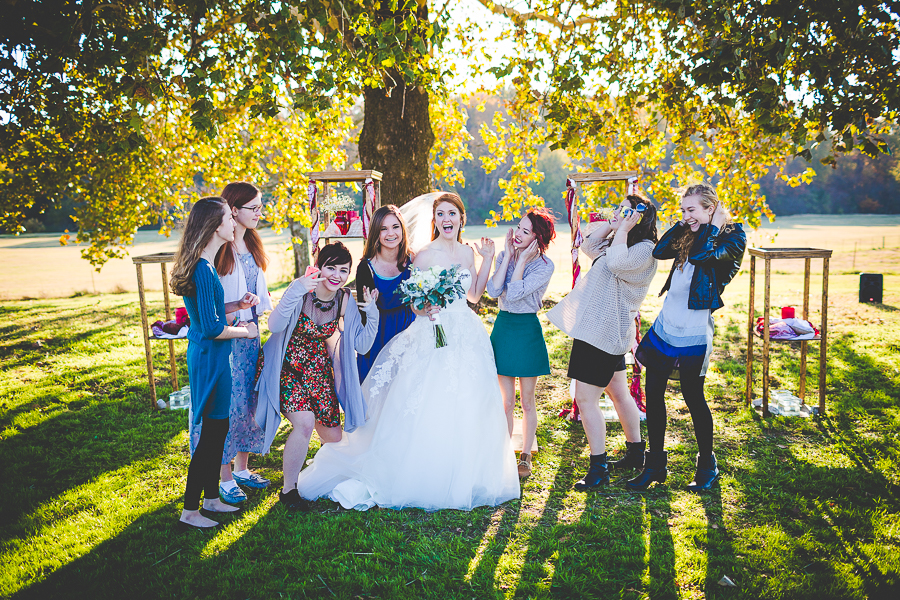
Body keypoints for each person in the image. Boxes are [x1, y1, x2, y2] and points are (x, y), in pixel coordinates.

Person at [295, 192, 520, 511]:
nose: (446, 220)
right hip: (434, 331)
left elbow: (473, 296)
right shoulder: (424, 256)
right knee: (432, 398)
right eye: (440, 214)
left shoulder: (469, 253)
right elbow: (413, 303)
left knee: (470, 400)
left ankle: (466, 470)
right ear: (435, 220)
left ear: (461, 218)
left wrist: (486, 259)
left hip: (466, 334)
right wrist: (425, 307)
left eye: (452, 214)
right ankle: (426, 470)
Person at [628, 183, 747, 492]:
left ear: (711, 209)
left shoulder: (733, 236)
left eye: (691, 209)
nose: (686, 215)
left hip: (694, 327)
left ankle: (707, 465)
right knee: (653, 393)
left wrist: (715, 226)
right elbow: (659, 251)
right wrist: (683, 223)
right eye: (683, 209)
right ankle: (654, 466)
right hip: (667, 322)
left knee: (694, 398)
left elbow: (702, 256)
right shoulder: (689, 230)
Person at [255, 242, 380, 512]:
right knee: (304, 422)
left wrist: (371, 312)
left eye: (343, 270)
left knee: (334, 438)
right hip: (287, 368)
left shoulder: (344, 299)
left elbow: (362, 345)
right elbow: (274, 325)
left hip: (318, 371)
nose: (336, 275)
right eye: (330, 267)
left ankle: (324, 481)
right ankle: (289, 491)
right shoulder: (302, 291)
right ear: (319, 266)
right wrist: (296, 288)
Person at [547, 195, 659, 490]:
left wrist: (621, 230)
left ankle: (599, 467)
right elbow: (586, 246)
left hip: (602, 333)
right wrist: (612, 226)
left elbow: (619, 263)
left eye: (625, 210)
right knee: (619, 394)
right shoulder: (618, 242)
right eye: (619, 208)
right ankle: (636, 452)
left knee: (585, 400)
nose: (619, 213)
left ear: (638, 218)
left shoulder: (645, 250)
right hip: (601, 331)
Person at [170, 197, 259, 529]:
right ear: (214, 225)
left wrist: (236, 302)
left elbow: (207, 313)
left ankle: (211, 499)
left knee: (218, 430)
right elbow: (211, 328)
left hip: (214, 356)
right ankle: (190, 510)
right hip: (210, 357)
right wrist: (245, 332)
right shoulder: (204, 269)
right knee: (210, 435)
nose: (233, 223)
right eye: (228, 218)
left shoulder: (204, 265)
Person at [187, 182, 272, 505]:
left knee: (246, 401)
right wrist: (238, 317)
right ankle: (221, 476)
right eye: (254, 208)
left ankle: (242, 466)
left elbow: (256, 292)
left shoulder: (252, 243)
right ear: (233, 210)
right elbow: (210, 312)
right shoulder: (218, 251)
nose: (259, 213)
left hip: (250, 335)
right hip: (229, 337)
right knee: (227, 405)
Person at [486, 209, 556, 478]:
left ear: (538, 238)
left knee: (527, 402)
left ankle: (525, 455)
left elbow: (514, 293)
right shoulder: (506, 255)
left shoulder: (545, 265)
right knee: (506, 402)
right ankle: (504, 451)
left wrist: (524, 261)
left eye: (526, 231)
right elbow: (493, 292)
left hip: (526, 329)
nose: (517, 233)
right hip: (504, 327)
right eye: (518, 227)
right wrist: (507, 255)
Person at [355, 205, 416, 381]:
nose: (391, 233)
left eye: (395, 227)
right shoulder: (366, 268)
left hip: (408, 336)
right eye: (384, 229)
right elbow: (364, 316)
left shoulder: (413, 261)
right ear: (376, 233)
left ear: (402, 229)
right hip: (378, 338)